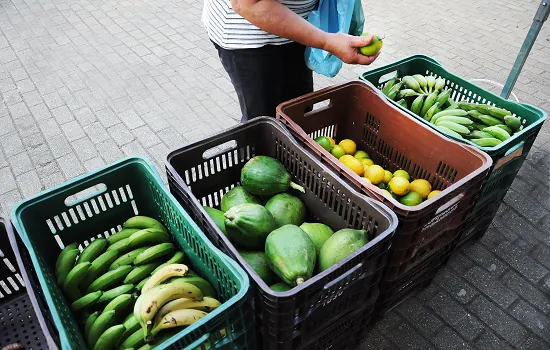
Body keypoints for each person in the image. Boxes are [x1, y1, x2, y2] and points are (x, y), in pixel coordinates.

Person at [202, 0, 379, 122]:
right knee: (265, 123)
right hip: (252, 39)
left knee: (298, 111)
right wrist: (327, 41)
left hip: (299, 28)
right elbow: (249, 4)